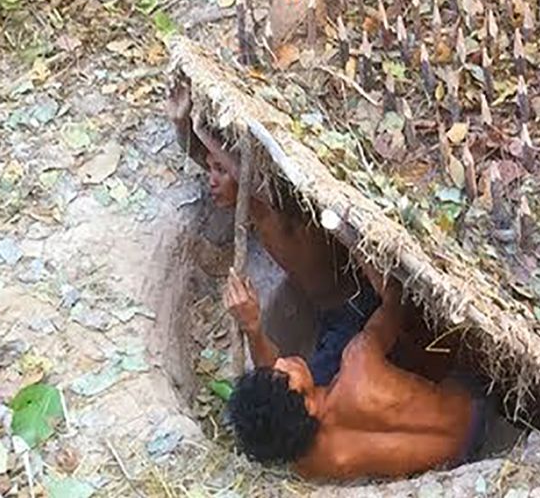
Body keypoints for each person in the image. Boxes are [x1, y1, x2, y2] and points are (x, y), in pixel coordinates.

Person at [167, 79, 379, 385]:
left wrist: (199, 128)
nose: (211, 179)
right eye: (211, 170)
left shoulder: (279, 210)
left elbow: (243, 172)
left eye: (220, 171)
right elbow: (210, 160)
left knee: (308, 393)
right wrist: (180, 123)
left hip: (353, 312)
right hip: (323, 309)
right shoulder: (251, 206)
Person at [226, 264, 487, 480]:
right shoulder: (359, 363)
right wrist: (369, 263)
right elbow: (396, 302)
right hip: (477, 413)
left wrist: (253, 327)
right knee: (417, 332)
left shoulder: (311, 465)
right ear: (308, 406)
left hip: (454, 465)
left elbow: (275, 404)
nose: (281, 362)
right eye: (284, 374)